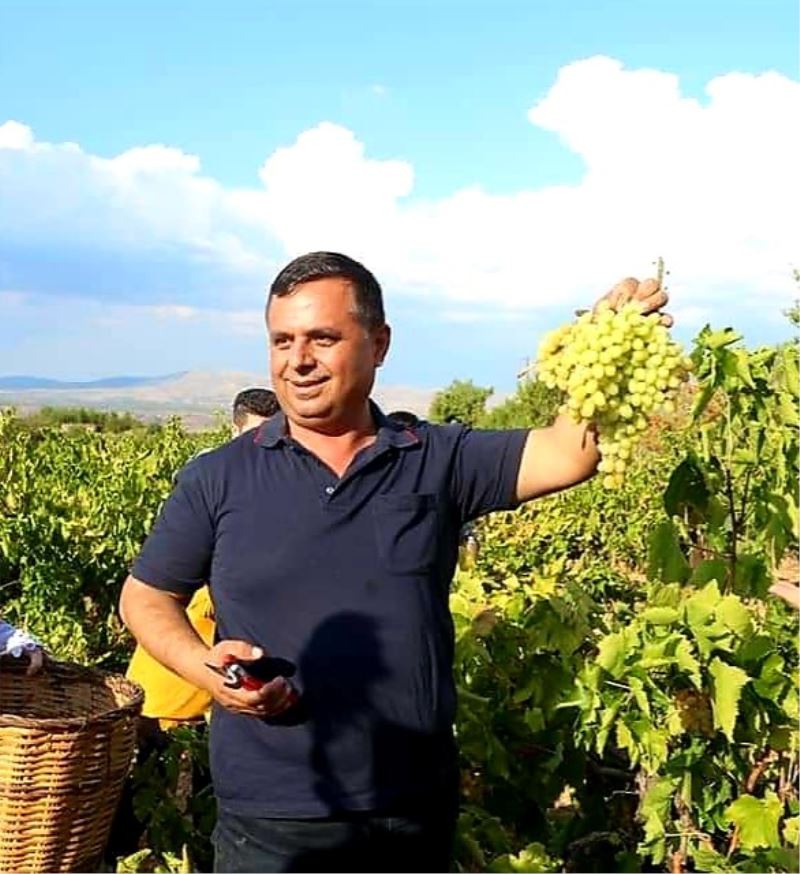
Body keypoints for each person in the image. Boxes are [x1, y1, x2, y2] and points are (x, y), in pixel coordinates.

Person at [119, 252, 671, 873]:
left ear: (379, 344)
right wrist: (205, 668)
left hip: (411, 809)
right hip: (271, 820)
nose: (298, 360)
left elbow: (568, 454)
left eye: (322, 338)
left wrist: (604, 340)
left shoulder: (436, 457)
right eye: (282, 341)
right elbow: (145, 596)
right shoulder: (218, 477)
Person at [125, 387, 279, 730]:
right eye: (253, 435)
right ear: (235, 430)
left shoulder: (277, 484)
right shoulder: (209, 478)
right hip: (181, 670)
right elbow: (153, 595)